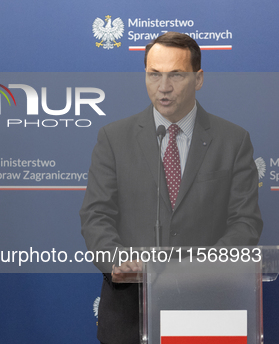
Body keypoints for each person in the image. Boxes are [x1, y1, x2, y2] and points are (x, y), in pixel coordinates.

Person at [79, 32, 262, 344]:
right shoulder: (114, 137)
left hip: (207, 308)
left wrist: (202, 268)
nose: (163, 87)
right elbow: (96, 214)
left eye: (176, 75)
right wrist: (116, 258)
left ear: (198, 78)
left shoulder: (233, 141)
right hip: (130, 313)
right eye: (154, 75)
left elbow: (246, 221)